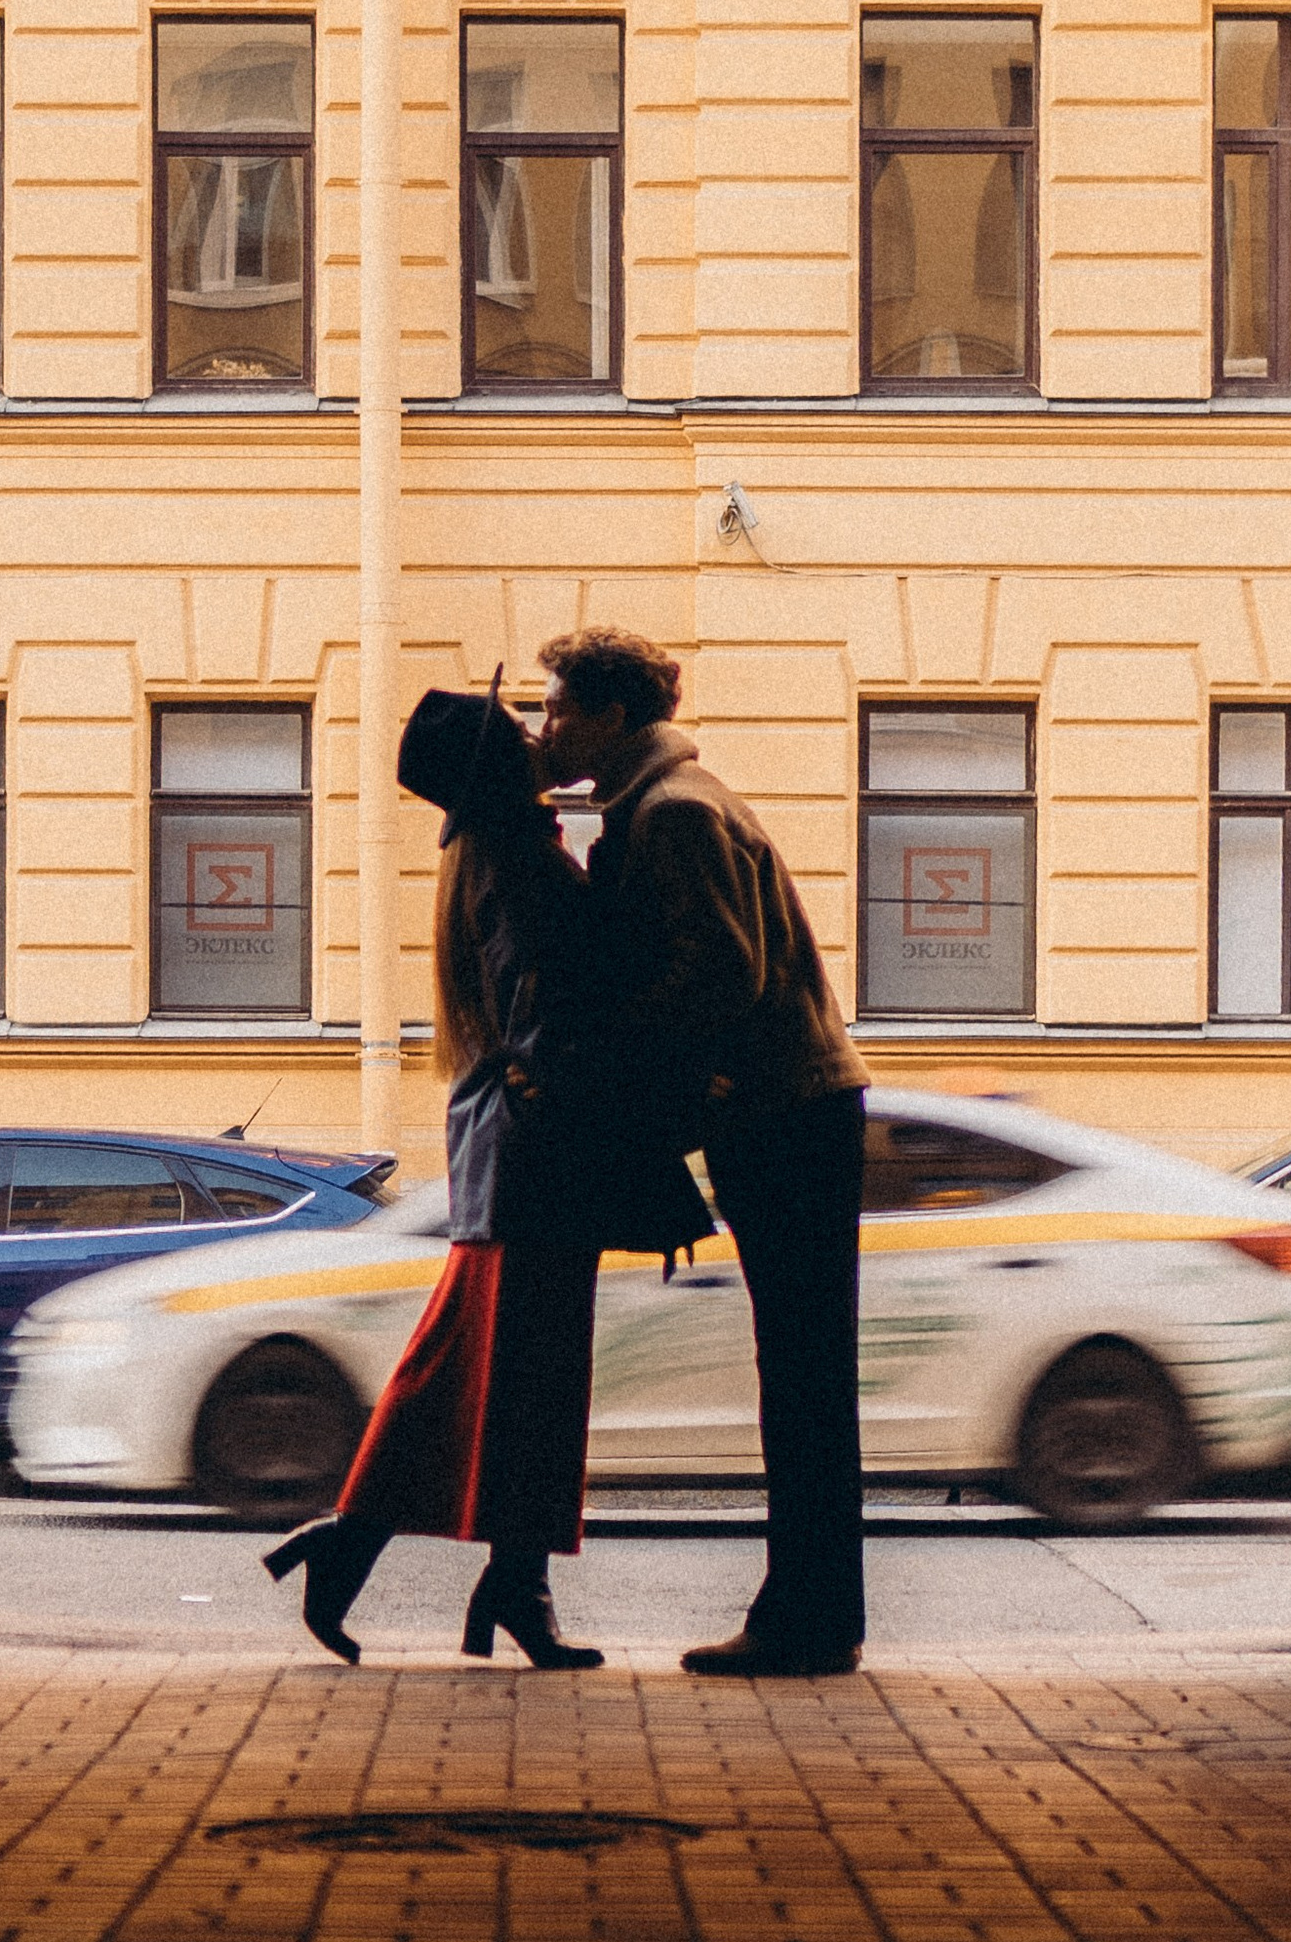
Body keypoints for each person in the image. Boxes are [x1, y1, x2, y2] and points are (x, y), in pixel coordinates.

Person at [263, 678, 709, 1668]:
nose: (536, 734)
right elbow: (565, 1032)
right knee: (524, 1389)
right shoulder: (528, 870)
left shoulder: (497, 859)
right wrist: (640, 1156)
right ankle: (473, 1579)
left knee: (482, 1383)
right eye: (518, 731)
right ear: (500, 768)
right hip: (539, 1160)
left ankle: (470, 1575)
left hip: (514, 1157)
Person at [534, 627, 871, 1679]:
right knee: (806, 1372)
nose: (544, 730)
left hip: (783, 1112)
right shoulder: (672, 801)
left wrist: (664, 1092)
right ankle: (813, 1610)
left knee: (804, 1376)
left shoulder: (674, 814)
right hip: (793, 1107)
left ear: (610, 717)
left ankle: (806, 1620)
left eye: (556, 710)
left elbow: (719, 975)